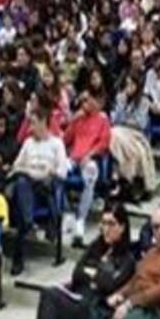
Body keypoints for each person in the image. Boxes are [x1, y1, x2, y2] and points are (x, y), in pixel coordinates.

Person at [8, 108, 69, 275]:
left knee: (23, 203)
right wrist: (28, 170)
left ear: (43, 123)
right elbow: (16, 166)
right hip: (28, 186)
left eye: (33, 123)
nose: (30, 128)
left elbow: (62, 171)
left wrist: (49, 173)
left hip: (45, 188)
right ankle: (28, 222)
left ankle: (18, 256)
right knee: (21, 183)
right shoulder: (28, 143)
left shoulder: (57, 144)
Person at [62, 91, 111, 245]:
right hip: (73, 158)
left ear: (95, 101)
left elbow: (104, 143)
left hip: (90, 159)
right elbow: (66, 140)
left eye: (87, 100)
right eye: (82, 101)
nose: (84, 104)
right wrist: (72, 121)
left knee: (90, 175)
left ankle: (80, 220)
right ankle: (68, 211)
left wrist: (90, 155)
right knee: (56, 172)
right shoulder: (78, 119)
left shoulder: (103, 119)